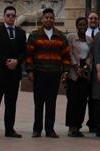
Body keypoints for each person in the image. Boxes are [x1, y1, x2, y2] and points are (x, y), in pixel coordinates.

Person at [26, 8, 70, 138]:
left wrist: (65, 70)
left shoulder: (60, 36)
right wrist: (30, 70)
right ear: (42, 19)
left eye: (51, 17)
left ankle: (50, 129)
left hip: (54, 74)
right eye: (46, 17)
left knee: (51, 103)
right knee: (39, 103)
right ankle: (37, 129)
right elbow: (29, 54)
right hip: (39, 73)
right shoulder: (34, 35)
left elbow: (66, 55)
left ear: (54, 19)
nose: (49, 20)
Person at [0, 5, 27, 139]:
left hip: (14, 74)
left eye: (13, 15)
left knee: (11, 103)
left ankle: (9, 129)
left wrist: (17, 61)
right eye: (8, 15)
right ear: (4, 16)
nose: (10, 17)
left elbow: (24, 51)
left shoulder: (21, 33)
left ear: (15, 17)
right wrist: (7, 61)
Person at [66, 16, 92, 137]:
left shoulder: (90, 40)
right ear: (76, 26)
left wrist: (85, 67)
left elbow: (91, 55)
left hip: (84, 73)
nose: (82, 27)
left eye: (84, 25)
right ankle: (71, 126)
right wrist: (76, 67)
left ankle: (78, 126)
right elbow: (69, 53)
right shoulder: (71, 37)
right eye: (80, 25)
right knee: (73, 100)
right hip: (73, 73)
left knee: (82, 101)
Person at [85, 11, 100, 132]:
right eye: (91, 18)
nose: (93, 20)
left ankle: (94, 122)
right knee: (84, 97)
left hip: (98, 70)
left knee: (96, 98)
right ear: (87, 20)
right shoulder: (83, 33)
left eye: (95, 18)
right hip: (85, 70)